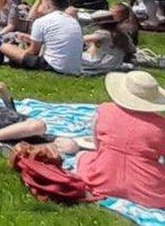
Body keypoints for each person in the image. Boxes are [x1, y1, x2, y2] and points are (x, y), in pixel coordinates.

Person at [68, 71, 165, 208]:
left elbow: (97, 146)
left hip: (102, 179)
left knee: (81, 157)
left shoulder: (104, 111)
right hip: (147, 190)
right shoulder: (161, 126)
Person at [0, 0, 83, 75]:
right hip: (74, 68)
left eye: (41, 4)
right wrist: (28, 38)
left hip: (54, 66)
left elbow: (33, 51)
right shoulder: (72, 20)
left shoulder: (42, 21)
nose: (39, 7)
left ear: (48, 6)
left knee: (5, 47)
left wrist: (18, 53)